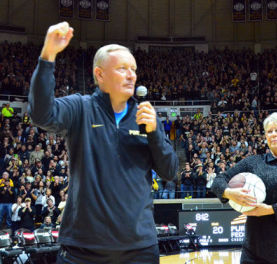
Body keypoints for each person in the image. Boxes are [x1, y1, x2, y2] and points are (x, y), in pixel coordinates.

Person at [28, 22, 178, 263]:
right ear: (100, 74)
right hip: (83, 250)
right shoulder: (80, 108)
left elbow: (170, 171)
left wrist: (154, 134)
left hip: (139, 250)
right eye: (122, 68)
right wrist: (48, 56)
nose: (132, 75)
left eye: (133, 69)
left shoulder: (147, 117)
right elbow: (41, 114)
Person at [212, 112, 277, 264]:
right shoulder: (253, 162)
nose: (273, 134)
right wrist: (229, 193)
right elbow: (218, 180)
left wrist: (270, 209)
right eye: (269, 131)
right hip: (254, 247)